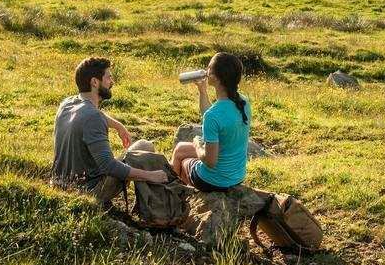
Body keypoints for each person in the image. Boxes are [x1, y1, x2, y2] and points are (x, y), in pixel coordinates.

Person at [52, 55, 167, 196]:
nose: (112, 82)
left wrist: (118, 125)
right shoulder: (94, 117)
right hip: (88, 192)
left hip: (59, 185)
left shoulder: (67, 104)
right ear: (94, 82)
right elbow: (109, 166)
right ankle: (152, 210)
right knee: (144, 146)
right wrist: (150, 175)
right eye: (108, 77)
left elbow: (90, 115)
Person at [171, 52, 251, 192]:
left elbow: (210, 161)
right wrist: (202, 91)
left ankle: (176, 194)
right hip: (237, 176)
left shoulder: (213, 115)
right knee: (180, 148)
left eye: (209, 68)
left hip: (213, 181)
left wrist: (197, 145)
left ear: (215, 77)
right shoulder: (243, 102)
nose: (206, 72)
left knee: (181, 160)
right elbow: (211, 117)